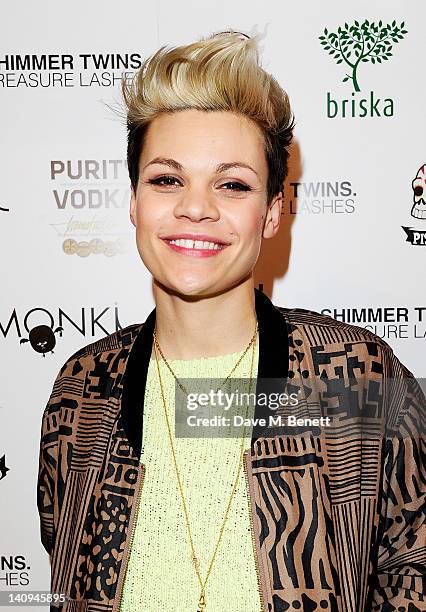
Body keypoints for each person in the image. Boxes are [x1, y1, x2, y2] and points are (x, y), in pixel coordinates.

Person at [37, 30, 425, 612]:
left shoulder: (360, 381)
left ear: (271, 214)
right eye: (167, 179)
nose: (196, 206)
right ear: (134, 202)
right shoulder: (84, 388)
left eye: (233, 184)